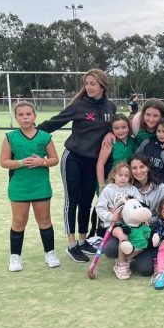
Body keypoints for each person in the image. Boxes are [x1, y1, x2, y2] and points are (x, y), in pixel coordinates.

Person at [38, 69, 116, 263]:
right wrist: (30, 134)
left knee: (87, 201)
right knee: (71, 201)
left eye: (92, 83)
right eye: (86, 83)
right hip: (73, 159)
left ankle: (83, 241)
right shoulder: (79, 106)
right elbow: (53, 123)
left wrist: (111, 133)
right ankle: (72, 244)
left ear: (102, 86)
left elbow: (115, 127)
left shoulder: (110, 107)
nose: (88, 87)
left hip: (93, 162)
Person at [0, 100, 60, 272]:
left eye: (28, 114)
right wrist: (21, 162)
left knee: (45, 220)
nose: (25, 117)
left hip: (41, 186)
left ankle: (50, 253)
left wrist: (42, 162)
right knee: (19, 221)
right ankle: (15, 257)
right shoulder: (10, 137)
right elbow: (4, 162)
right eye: (21, 115)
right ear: (16, 117)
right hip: (19, 187)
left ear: (35, 116)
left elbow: (54, 159)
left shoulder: (45, 137)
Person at [101, 154, 164, 276]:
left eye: (142, 167)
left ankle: (128, 257)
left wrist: (144, 220)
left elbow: (163, 214)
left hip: (146, 230)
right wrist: (115, 214)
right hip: (126, 228)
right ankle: (122, 260)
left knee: (145, 270)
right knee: (110, 249)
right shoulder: (128, 187)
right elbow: (103, 207)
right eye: (134, 168)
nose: (138, 171)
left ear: (148, 167)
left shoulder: (160, 188)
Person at [95, 161, 142, 278]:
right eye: (120, 175)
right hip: (114, 224)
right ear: (113, 175)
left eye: (126, 176)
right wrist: (111, 216)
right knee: (123, 236)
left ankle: (125, 259)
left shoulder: (133, 190)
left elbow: (139, 205)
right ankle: (121, 265)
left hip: (131, 224)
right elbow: (100, 208)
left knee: (141, 240)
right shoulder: (108, 190)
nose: (123, 178)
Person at [96, 114, 135, 191]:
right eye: (116, 128)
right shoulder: (109, 142)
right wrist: (102, 186)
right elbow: (100, 164)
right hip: (109, 182)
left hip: (126, 182)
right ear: (112, 130)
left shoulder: (133, 141)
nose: (120, 131)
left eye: (124, 127)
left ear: (128, 127)